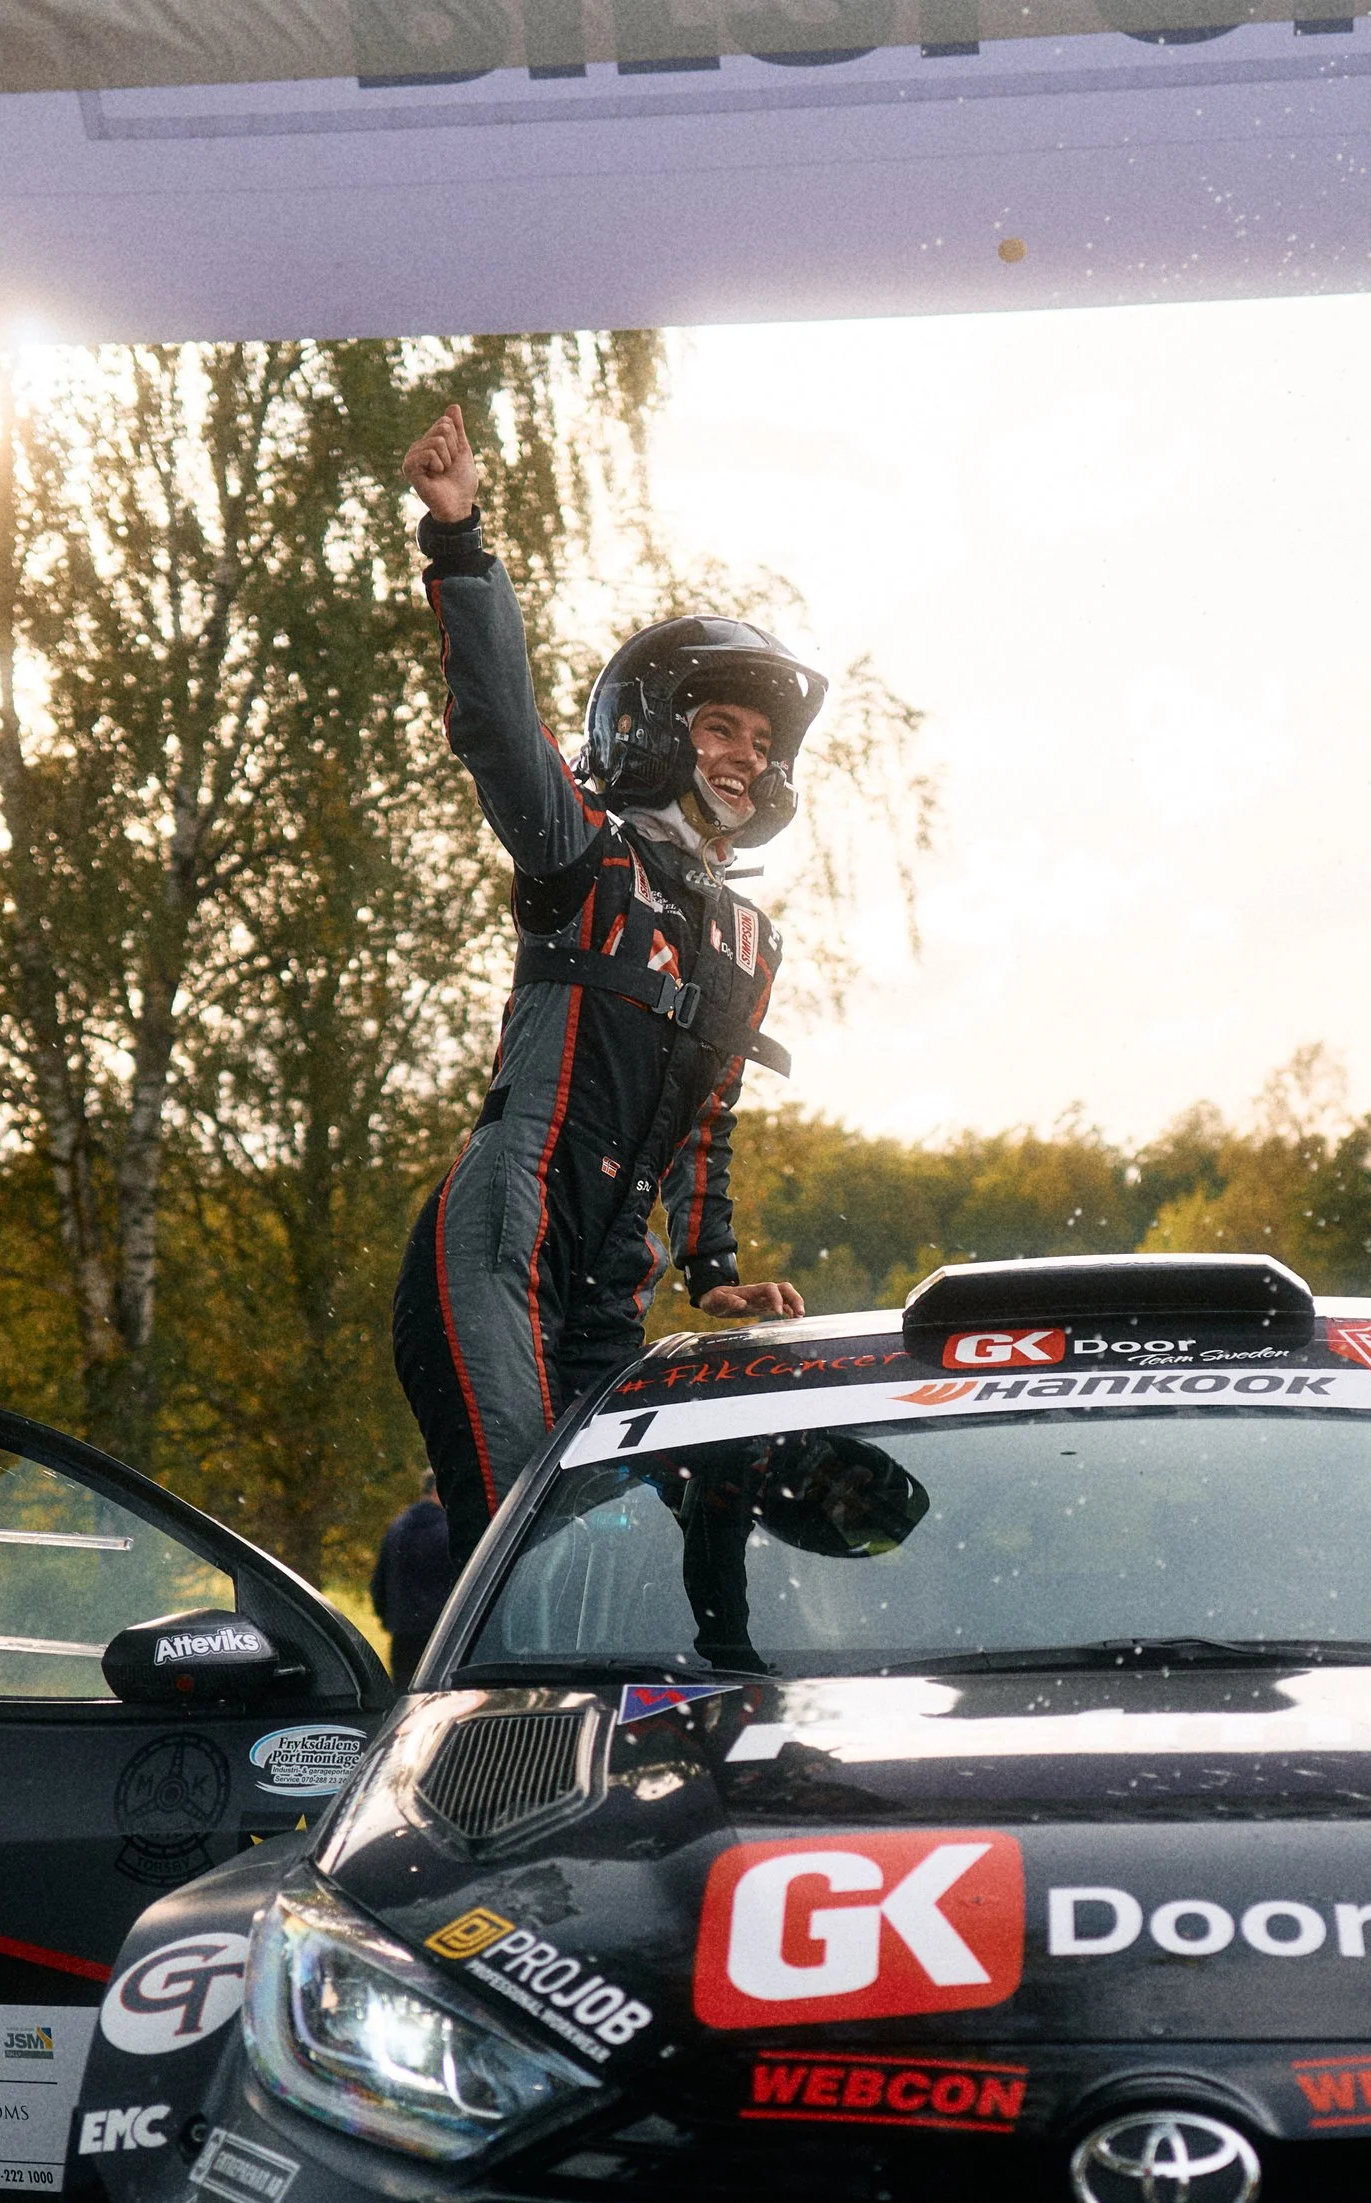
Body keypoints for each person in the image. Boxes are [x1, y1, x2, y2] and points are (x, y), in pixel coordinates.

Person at [390, 401, 812, 1561]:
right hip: (505, 1235)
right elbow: (495, 730)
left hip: (612, 1274)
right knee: (519, 1550)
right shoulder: (583, 853)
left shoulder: (746, 940)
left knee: (614, 1559)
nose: (745, 755)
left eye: (760, 743)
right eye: (720, 727)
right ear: (654, 732)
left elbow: (710, 1119)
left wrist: (713, 1268)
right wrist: (460, 544)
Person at [370, 1473, 456, 1689]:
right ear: (439, 1491)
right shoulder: (449, 1532)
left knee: (405, 1698)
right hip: (441, 1635)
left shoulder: (396, 1529)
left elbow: (378, 1584)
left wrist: (391, 1619)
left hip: (403, 1635)